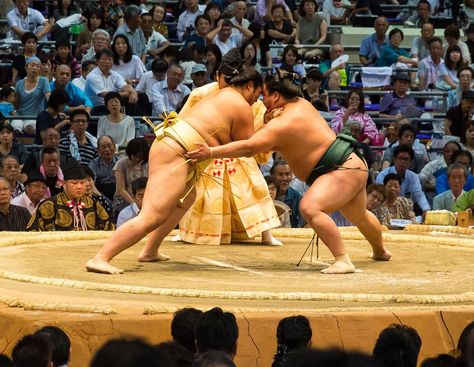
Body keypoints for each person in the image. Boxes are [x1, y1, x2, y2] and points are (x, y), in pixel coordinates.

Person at [187, 69, 391, 274]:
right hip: (353, 163)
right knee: (359, 215)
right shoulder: (302, 105)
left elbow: (250, 147)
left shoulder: (281, 124)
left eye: (264, 95)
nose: (261, 101)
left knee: (311, 208)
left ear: (275, 96)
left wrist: (211, 151)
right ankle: (380, 250)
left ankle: (342, 259)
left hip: (340, 169)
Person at [85, 67, 263, 274]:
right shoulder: (240, 104)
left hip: (175, 148)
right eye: (257, 95)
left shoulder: (222, 94)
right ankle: (101, 257)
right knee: (152, 215)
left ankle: (150, 249)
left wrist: (212, 151)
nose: (256, 102)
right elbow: (249, 147)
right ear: (250, 86)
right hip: (176, 152)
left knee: (187, 197)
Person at [178, 49, 281, 245]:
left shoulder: (248, 100)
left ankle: (266, 232)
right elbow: (184, 122)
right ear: (217, 76)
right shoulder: (200, 94)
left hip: (237, 152)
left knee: (255, 186)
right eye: (225, 78)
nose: (228, 83)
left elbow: (252, 140)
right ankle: (186, 231)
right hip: (205, 153)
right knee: (196, 193)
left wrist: (266, 125)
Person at [27, 165, 114, 231]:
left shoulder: (94, 204)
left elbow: (109, 230)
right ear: (64, 184)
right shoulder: (49, 205)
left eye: (82, 182)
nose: (79, 187)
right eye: (74, 183)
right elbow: (34, 232)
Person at [376, 145, 430, 216]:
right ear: (394, 160)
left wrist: (426, 209)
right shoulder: (382, 175)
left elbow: (419, 195)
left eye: (406, 159)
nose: (403, 161)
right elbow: (379, 195)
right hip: (384, 211)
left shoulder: (413, 177)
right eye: (400, 158)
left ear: (410, 161)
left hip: (405, 213)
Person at [85, 48, 139, 115]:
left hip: (112, 105)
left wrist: (133, 92)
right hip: (98, 108)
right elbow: (106, 95)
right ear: (97, 61)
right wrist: (128, 93)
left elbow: (125, 86)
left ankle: (139, 122)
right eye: (104, 59)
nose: (107, 62)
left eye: (110, 59)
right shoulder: (92, 76)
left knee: (140, 97)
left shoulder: (114, 74)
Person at [14, 57, 51, 134]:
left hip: (35, 116)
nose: (35, 68)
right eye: (32, 65)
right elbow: (16, 104)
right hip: (19, 115)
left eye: (37, 66)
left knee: (29, 129)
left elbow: (49, 98)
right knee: (16, 130)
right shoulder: (19, 83)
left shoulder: (44, 81)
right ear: (26, 67)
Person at [89, 135, 120, 201]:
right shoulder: (93, 164)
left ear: (114, 147)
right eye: (103, 147)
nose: (107, 149)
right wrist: (103, 200)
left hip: (119, 192)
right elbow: (91, 185)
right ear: (98, 150)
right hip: (101, 194)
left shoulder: (120, 162)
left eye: (109, 146)